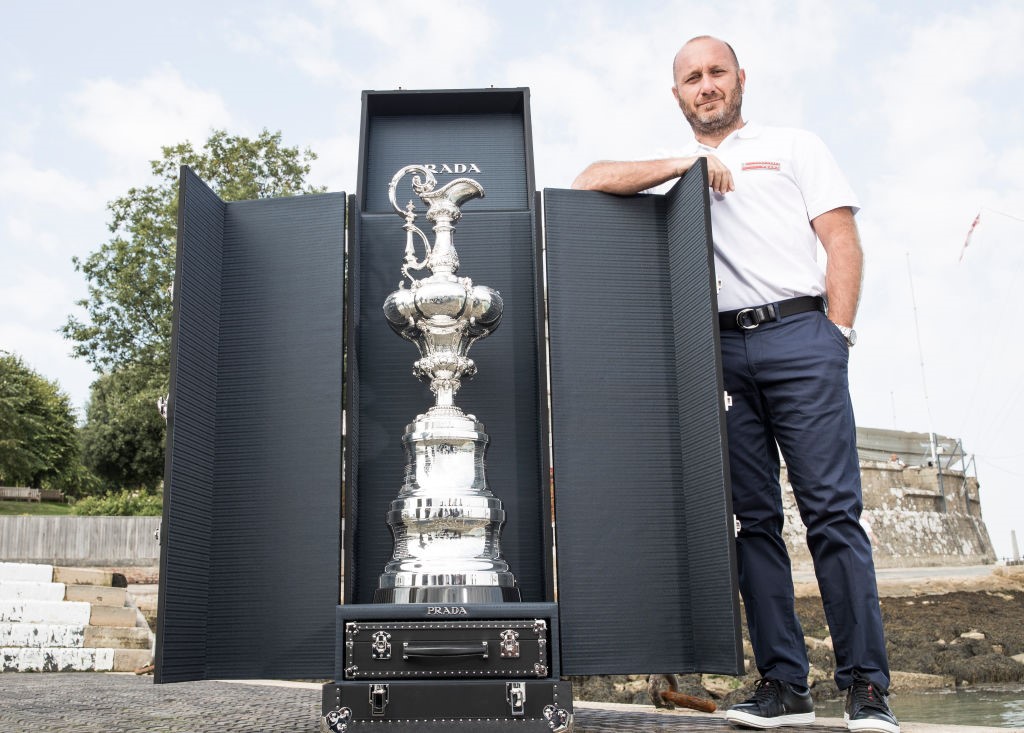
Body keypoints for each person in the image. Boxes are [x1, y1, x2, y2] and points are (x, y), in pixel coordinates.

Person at [573, 36, 899, 733]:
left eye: (717, 71)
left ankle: (867, 687)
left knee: (834, 516)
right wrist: (685, 162)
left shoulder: (792, 145)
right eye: (692, 77)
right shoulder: (683, 168)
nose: (706, 85)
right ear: (678, 95)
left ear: (740, 79)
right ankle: (784, 684)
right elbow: (588, 180)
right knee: (755, 522)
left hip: (800, 337)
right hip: (719, 351)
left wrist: (834, 336)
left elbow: (841, 239)